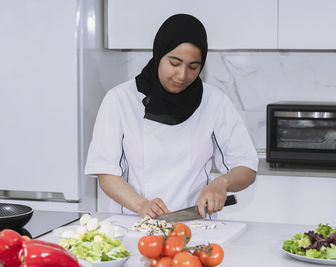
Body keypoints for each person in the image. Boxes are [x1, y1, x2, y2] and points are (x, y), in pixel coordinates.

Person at [84, 14, 258, 219]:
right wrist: (142, 205)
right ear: (159, 54)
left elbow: (246, 167)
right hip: (136, 224)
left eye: (193, 67)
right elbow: (106, 173)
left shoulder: (215, 102)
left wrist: (222, 182)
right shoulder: (119, 99)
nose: (182, 75)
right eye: (174, 63)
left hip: (196, 225)